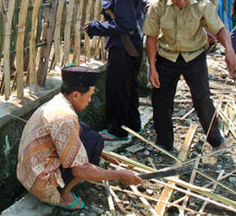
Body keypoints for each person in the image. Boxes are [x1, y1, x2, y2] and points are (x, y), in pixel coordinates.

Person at [16, 66, 142, 211]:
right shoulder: (65, 118)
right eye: (89, 95)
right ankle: (61, 196)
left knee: (86, 130)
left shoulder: (57, 102)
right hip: (42, 184)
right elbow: (80, 170)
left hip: (27, 174)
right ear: (75, 95)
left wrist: (104, 155)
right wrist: (119, 175)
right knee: (95, 142)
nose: (89, 100)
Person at [143, 0, 236, 152]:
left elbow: (219, 29)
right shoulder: (158, 6)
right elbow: (152, 37)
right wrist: (152, 67)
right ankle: (164, 142)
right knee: (161, 100)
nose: (181, 2)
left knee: (202, 99)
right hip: (166, 58)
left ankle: (216, 140)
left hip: (194, 57)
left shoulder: (202, 5)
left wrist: (229, 50)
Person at [78, 0, 142, 141]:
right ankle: (133, 125)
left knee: (117, 88)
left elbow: (125, 24)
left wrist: (96, 27)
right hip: (129, 44)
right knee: (128, 87)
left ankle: (117, 130)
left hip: (124, 46)